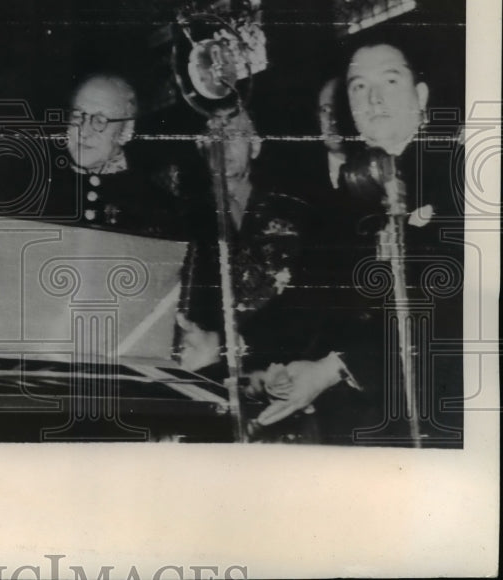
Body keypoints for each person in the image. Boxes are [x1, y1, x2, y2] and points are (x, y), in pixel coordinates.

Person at [256, 43, 463, 446]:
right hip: (354, 425)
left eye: (390, 80)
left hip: (442, 418)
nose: (374, 97)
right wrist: (235, 347)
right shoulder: (341, 202)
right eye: (358, 87)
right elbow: (304, 300)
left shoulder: (460, 174)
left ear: (420, 96)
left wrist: (336, 367)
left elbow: (452, 303)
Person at [173, 108, 311, 381]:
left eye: (234, 134)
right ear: (201, 146)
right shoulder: (179, 220)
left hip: (284, 375)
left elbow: (305, 309)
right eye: (214, 134)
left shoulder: (297, 216)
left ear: (255, 146)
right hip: (203, 377)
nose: (223, 143)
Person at [41, 74, 184, 237]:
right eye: (77, 115)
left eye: (100, 120)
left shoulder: (159, 208)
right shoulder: (37, 190)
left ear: (126, 131)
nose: (84, 131)